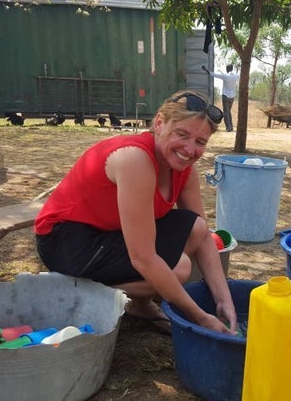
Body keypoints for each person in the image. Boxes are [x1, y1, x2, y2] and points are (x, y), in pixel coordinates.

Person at [34, 90, 238, 335]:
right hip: (68, 240)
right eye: (182, 134)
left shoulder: (183, 168)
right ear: (160, 124)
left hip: (109, 232)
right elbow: (142, 258)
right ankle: (81, 291)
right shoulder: (135, 159)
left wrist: (224, 300)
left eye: (200, 142)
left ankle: (139, 305)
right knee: (179, 268)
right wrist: (201, 317)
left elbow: (204, 236)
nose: (190, 149)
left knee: (194, 228)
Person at [201, 64, 239, 132]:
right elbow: (238, 74)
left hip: (225, 95)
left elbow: (214, 75)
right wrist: (238, 68)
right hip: (232, 96)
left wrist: (206, 70)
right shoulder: (236, 76)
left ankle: (228, 127)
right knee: (228, 111)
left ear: (227, 69)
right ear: (232, 69)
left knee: (226, 112)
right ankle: (231, 126)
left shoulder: (225, 76)